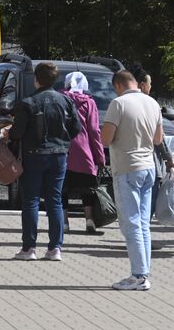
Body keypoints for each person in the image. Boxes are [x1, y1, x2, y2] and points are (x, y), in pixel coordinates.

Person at [9, 61, 80, 261]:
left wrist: (10, 134)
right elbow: (76, 128)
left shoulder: (28, 102)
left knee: (31, 200)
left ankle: (29, 248)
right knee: (54, 200)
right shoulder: (65, 101)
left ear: (36, 79)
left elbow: (16, 133)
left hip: (33, 154)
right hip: (59, 155)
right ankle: (55, 248)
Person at [101, 69, 164, 291]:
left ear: (118, 85)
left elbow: (106, 138)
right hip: (148, 167)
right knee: (143, 223)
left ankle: (138, 275)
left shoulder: (118, 104)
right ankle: (144, 273)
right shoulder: (152, 103)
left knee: (131, 222)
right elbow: (158, 139)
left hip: (127, 168)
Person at [60, 71, 105, 235]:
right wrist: (100, 156)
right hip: (84, 152)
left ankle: (64, 223)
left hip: (63, 150)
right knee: (88, 189)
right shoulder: (89, 102)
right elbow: (94, 131)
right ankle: (89, 221)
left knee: (63, 188)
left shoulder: (60, 98)